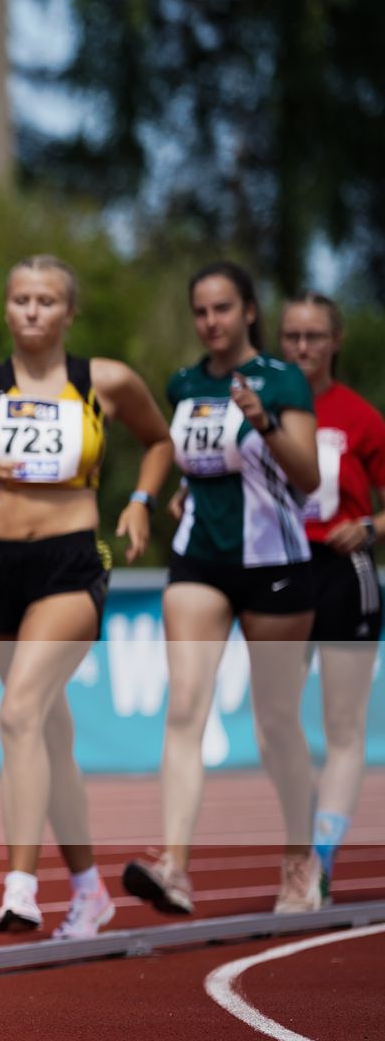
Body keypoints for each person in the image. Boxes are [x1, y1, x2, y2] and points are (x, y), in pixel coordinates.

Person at [0, 255, 172, 937]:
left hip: (72, 563)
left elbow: (158, 442)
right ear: (6, 309)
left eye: (46, 300)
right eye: (20, 300)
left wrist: (138, 502)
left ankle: (18, 885)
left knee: (16, 715)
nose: (32, 311)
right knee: (47, 732)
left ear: (71, 311)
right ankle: (89, 888)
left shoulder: (106, 381)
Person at [124, 262, 322, 916]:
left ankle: (301, 863)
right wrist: (176, 497)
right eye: (201, 311)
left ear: (249, 312)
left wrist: (264, 421)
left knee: (275, 725)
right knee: (184, 709)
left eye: (223, 310)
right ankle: (174, 867)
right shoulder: (183, 383)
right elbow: (197, 462)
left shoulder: (282, 379)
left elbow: (307, 476)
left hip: (273, 564)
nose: (211, 322)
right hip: (199, 562)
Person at [278, 291, 384, 899]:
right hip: (280, 573)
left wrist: (369, 527)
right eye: (291, 336)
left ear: (335, 341)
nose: (302, 348)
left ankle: (318, 858)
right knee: (278, 722)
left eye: (314, 336)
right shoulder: (263, 409)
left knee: (343, 725)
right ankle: (301, 834)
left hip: (346, 573)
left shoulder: (362, 417)